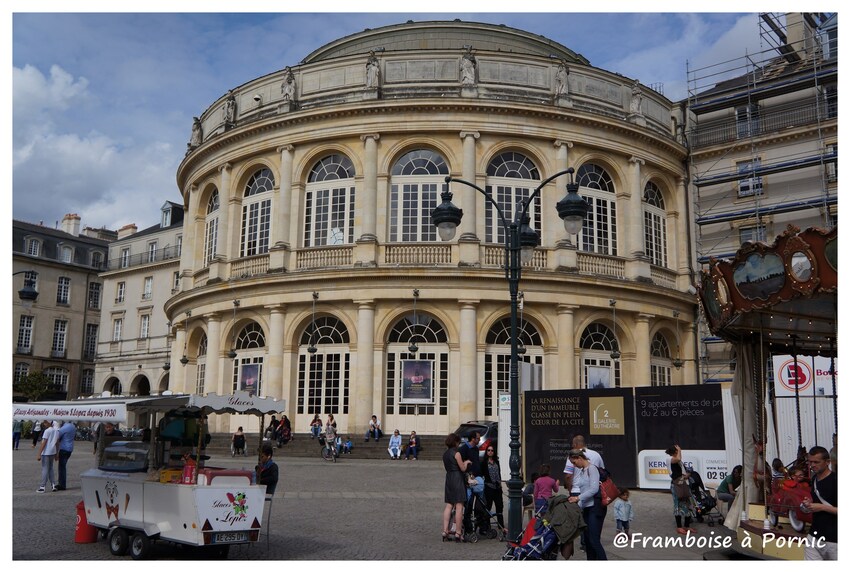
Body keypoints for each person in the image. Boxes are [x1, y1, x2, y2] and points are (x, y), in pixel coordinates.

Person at [567, 449, 607, 560]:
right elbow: (585, 491)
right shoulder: (584, 471)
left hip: (595, 507)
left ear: (579, 458)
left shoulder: (592, 469)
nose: (574, 465)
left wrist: (577, 498)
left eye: (574, 462)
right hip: (587, 508)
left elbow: (593, 489)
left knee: (594, 540)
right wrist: (577, 503)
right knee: (589, 541)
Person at [803, 445, 837, 560]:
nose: (812, 465)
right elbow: (817, 501)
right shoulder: (814, 479)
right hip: (814, 536)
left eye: (816, 462)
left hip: (834, 540)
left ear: (827, 462)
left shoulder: (836, 481)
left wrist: (822, 507)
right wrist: (809, 503)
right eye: (810, 462)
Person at [441, 433, 471, 542]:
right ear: (455, 442)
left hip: (449, 478)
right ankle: (458, 532)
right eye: (458, 442)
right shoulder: (456, 453)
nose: (459, 444)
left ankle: (445, 531)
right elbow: (462, 468)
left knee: (449, 505)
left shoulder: (445, 454)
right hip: (457, 478)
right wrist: (466, 462)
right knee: (459, 506)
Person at [665, 444, 696, 535]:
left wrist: (687, 475)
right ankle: (679, 527)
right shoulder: (669, 460)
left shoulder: (678, 461)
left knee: (689, 504)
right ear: (675, 452)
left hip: (684, 484)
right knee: (678, 505)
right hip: (677, 486)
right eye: (677, 451)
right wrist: (680, 451)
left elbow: (681, 470)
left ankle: (686, 525)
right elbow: (678, 459)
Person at [482, 443, 505, 533]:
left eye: (492, 450)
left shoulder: (497, 462)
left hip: (497, 487)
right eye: (488, 450)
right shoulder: (484, 463)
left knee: (500, 506)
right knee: (488, 507)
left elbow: (499, 473)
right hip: (489, 487)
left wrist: (500, 483)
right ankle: (487, 526)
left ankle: (501, 526)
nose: (490, 452)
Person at [36, 421, 59, 493]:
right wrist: (56, 454)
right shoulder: (56, 431)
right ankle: (53, 485)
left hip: (46, 452)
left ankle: (42, 486)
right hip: (52, 451)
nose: (44, 424)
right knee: (51, 468)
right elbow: (57, 443)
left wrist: (39, 453)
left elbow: (44, 443)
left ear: (49, 423)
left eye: (45, 422)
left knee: (45, 469)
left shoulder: (47, 431)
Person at [56, 421, 76, 491]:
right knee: (63, 466)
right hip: (70, 448)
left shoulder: (64, 428)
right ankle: (61, 483)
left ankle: (62, 484)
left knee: (61, 467)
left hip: (64, 448)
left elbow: (57, 436)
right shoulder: (73, 426)